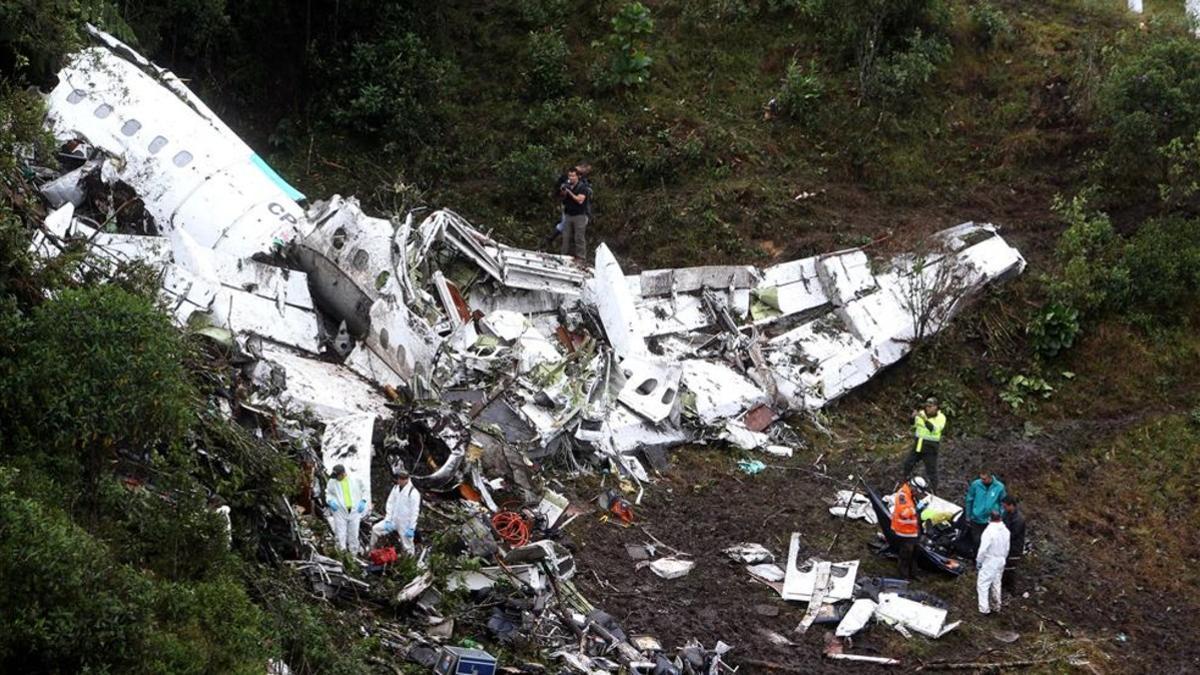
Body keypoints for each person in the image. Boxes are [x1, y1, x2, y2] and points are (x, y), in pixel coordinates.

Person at [370, 469, 421, 554]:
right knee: (375, 529)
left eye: (403, 479)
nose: (400, 481)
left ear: (407, 479)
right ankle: (372, 551)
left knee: (407, 545)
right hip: (392, 521)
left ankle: (410, 561)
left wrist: (411, 527)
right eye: (399, 478)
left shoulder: (413, 493)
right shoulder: (395, 488)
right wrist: (388, 519)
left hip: (405, 523)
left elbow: (414, 512)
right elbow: (390, 503)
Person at [902, 397, 946, 492]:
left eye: (930, 407)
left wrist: (925, 419)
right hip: (918, 445)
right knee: (908, 464)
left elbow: (934, 429)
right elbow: (913, 424)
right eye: (927, 406)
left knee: (931, 471)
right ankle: (905, 485)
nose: (928, 408)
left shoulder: (941, 418)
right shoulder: (921, 414)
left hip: (930, 448)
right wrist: (912, 417)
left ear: (936, 407)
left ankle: (934, 491)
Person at [325, 463, 368, 555]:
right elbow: (328, 493)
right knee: (340, 534)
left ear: (343, 474)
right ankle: (342, 554)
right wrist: (330, 501)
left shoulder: (356, 479)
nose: (336, 478)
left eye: (337, 476)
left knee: (353, 534)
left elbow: (365, 489)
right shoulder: (332, 481)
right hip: (339, 511)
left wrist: (363, 501)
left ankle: (353, 555)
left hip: (355, 510)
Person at [891, 476, 928, 579]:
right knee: (906, 555)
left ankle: (914, 573)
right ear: (913, 487)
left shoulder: (911, 495)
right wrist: (916, 509)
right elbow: (904, 513)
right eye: (918, 491)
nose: (918, 493)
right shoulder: (902, 495)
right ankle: (903, 577)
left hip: (913, 530)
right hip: (904, 531)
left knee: (915, 553)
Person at [975, 509, 1010, 614]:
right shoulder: (1006, 531)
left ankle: (984, 609)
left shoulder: (989, 531)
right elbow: (1007, 548)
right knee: (996, 583)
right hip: (1001, 559)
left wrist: (979, 561)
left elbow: (983, 549)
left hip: (990, 560)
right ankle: (996, 605)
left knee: (983, 584)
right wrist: (1003, 558)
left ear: (989, 519)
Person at [964, 471, 1007, 554]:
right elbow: (969, 500)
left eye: (984, 479)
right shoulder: (975, 484)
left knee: (990, 542)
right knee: (977, 541)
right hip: (976, 518)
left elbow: (1003, 502)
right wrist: (968, 516)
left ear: (990, 477)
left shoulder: (999, 487)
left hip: (991, 520)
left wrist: (1000, 515)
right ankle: (976, 560)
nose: (982, 480)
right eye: (981, 478)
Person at [559, 166, 592, 259]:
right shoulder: (567, 185)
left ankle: (581, 257)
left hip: (580, 215)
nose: (571, 178)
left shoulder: (583, 187)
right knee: (565, 237)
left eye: (573, 176)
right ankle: (563, 255)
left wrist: (569, 192)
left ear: (578, 176)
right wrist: (563, 191)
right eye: (569, 176)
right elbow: (562, 197)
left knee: (579, 237)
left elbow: (579, 200)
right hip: (568, 214)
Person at [1001, 495, 1026, 592]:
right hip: (1006, 545)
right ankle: (1004, 586)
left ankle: (1011, 589)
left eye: (1005, 506)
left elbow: (1013, 534)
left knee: (1010, 568)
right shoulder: (1006, 514)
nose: (1004, 508)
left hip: (1014, 547)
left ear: (1011, 505)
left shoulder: (1018, 519)